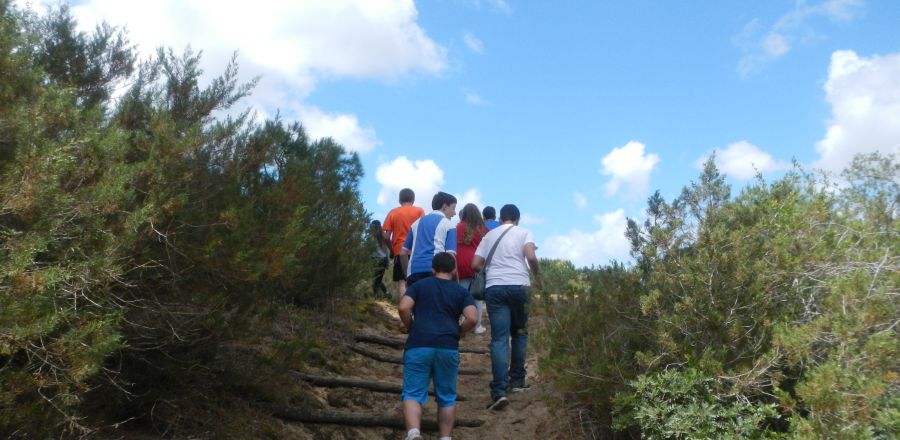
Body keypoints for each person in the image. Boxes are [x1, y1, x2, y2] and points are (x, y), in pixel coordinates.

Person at [398, 252, 478, 440]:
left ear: (433, 269)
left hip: (418, 344)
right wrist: (459, 331)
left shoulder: (419, 286)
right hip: (448, 346)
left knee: (412, 393)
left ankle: (414, 433)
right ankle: (445, 437)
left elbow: (403, 307)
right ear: (454, 270)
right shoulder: (461, 291)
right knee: (447, 397)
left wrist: (410, 325)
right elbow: (473, 318)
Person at [471, 204, 542, 411]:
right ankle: (517, 381)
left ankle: (499, 391)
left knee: (499, 338)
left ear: (500, 218)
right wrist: (537, 277)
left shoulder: (489, 235)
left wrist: (491, 267)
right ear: (517, 219)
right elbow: (530, 256)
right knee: (519, 333)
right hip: (520, 286)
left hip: (495, 288)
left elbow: (475, 264)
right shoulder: (525, 232)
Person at [400, 191, 457, 287]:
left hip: (413, 272)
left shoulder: (416, 223)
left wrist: (407, 275)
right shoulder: (449, 225)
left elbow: (403, 253)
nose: (454, 213)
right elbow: (450, 255)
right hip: (437, 271)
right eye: (453, 208)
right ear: (445, 206)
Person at [383, 188, 425, 297]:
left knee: (402, 281)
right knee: (417, 282)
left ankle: (404, 312)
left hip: (399, 250)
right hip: (417, 252)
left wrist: (391, 250)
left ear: (399, 200)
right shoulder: (419, 211)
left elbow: (386, 236)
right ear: (413, 199)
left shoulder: (393, 213)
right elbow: (423, 232)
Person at [455, 203, 489, 335]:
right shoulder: (483, 229)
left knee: (461, 295)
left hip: (460, 264)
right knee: (477, 296)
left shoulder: (458, 227)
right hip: (476, 264)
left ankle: (460, 322)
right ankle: (477, 326)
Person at [369, 220, 391, 297]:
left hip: (379, 260)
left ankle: (376, 297)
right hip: (379, 259)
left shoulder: (382, 236)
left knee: (377, 279)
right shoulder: (381, 235)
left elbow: (389, 248)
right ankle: (386, 293)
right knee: (377, 279)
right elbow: (388, 249)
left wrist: (388, 259)